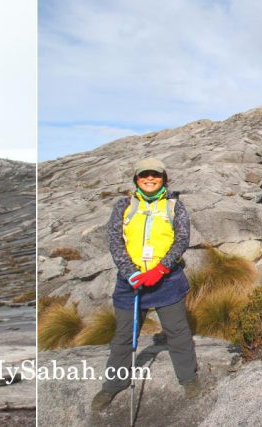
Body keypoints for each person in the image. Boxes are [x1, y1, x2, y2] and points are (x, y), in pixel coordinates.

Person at [91, 158, 198, 412]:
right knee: (123, 337)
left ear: (164, 178)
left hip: (167, 281)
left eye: (155, 175)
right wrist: (131, 273)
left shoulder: (175, 206)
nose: (150, 179)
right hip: (131, 283)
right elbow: (115, 242)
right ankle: (113, 385)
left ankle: (188, 378)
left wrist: (161, 269)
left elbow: (181, 240)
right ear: (136, 179)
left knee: (177, 332)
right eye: (144, 175)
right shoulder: (123, 206)